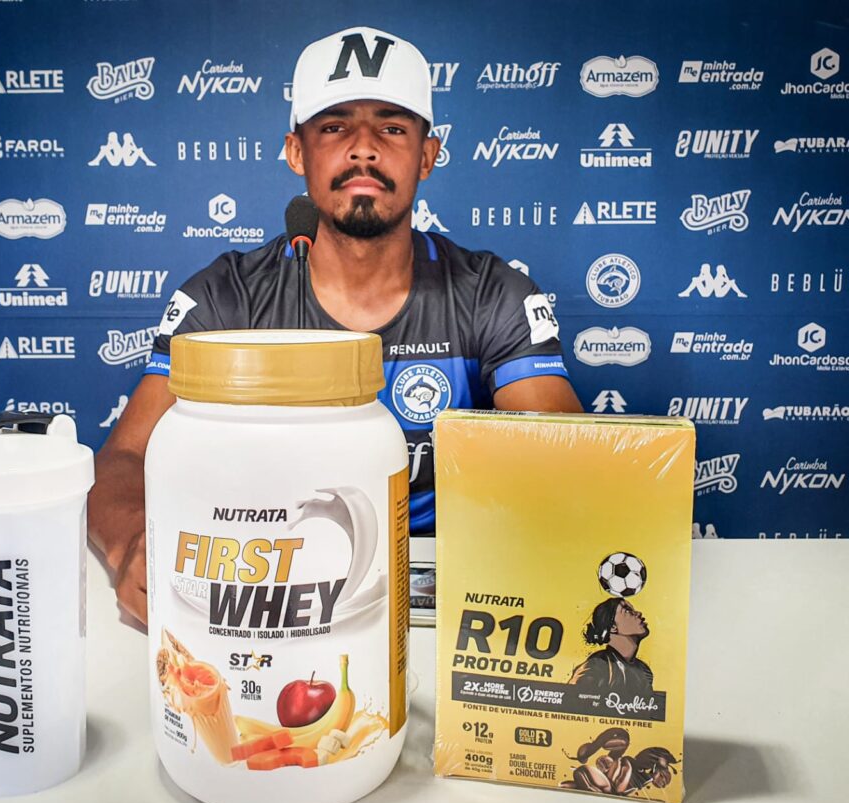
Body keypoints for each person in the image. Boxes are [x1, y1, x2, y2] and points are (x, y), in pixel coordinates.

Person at [89, 26, 583, 625]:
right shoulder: (227, 297)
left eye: (392, 128)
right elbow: (124, 458)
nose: (364, 150)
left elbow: (565, 460)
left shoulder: (491, 293)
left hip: (452, 598)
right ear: (297, 152)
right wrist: (132, 545)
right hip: (268, 588)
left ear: (428, 155)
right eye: (334, 127)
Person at [569, 597, 654, 698]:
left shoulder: (643, 670)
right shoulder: (597, 665)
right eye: (627, 611)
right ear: (613, 627)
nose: (639, 613)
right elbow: (572, 698)